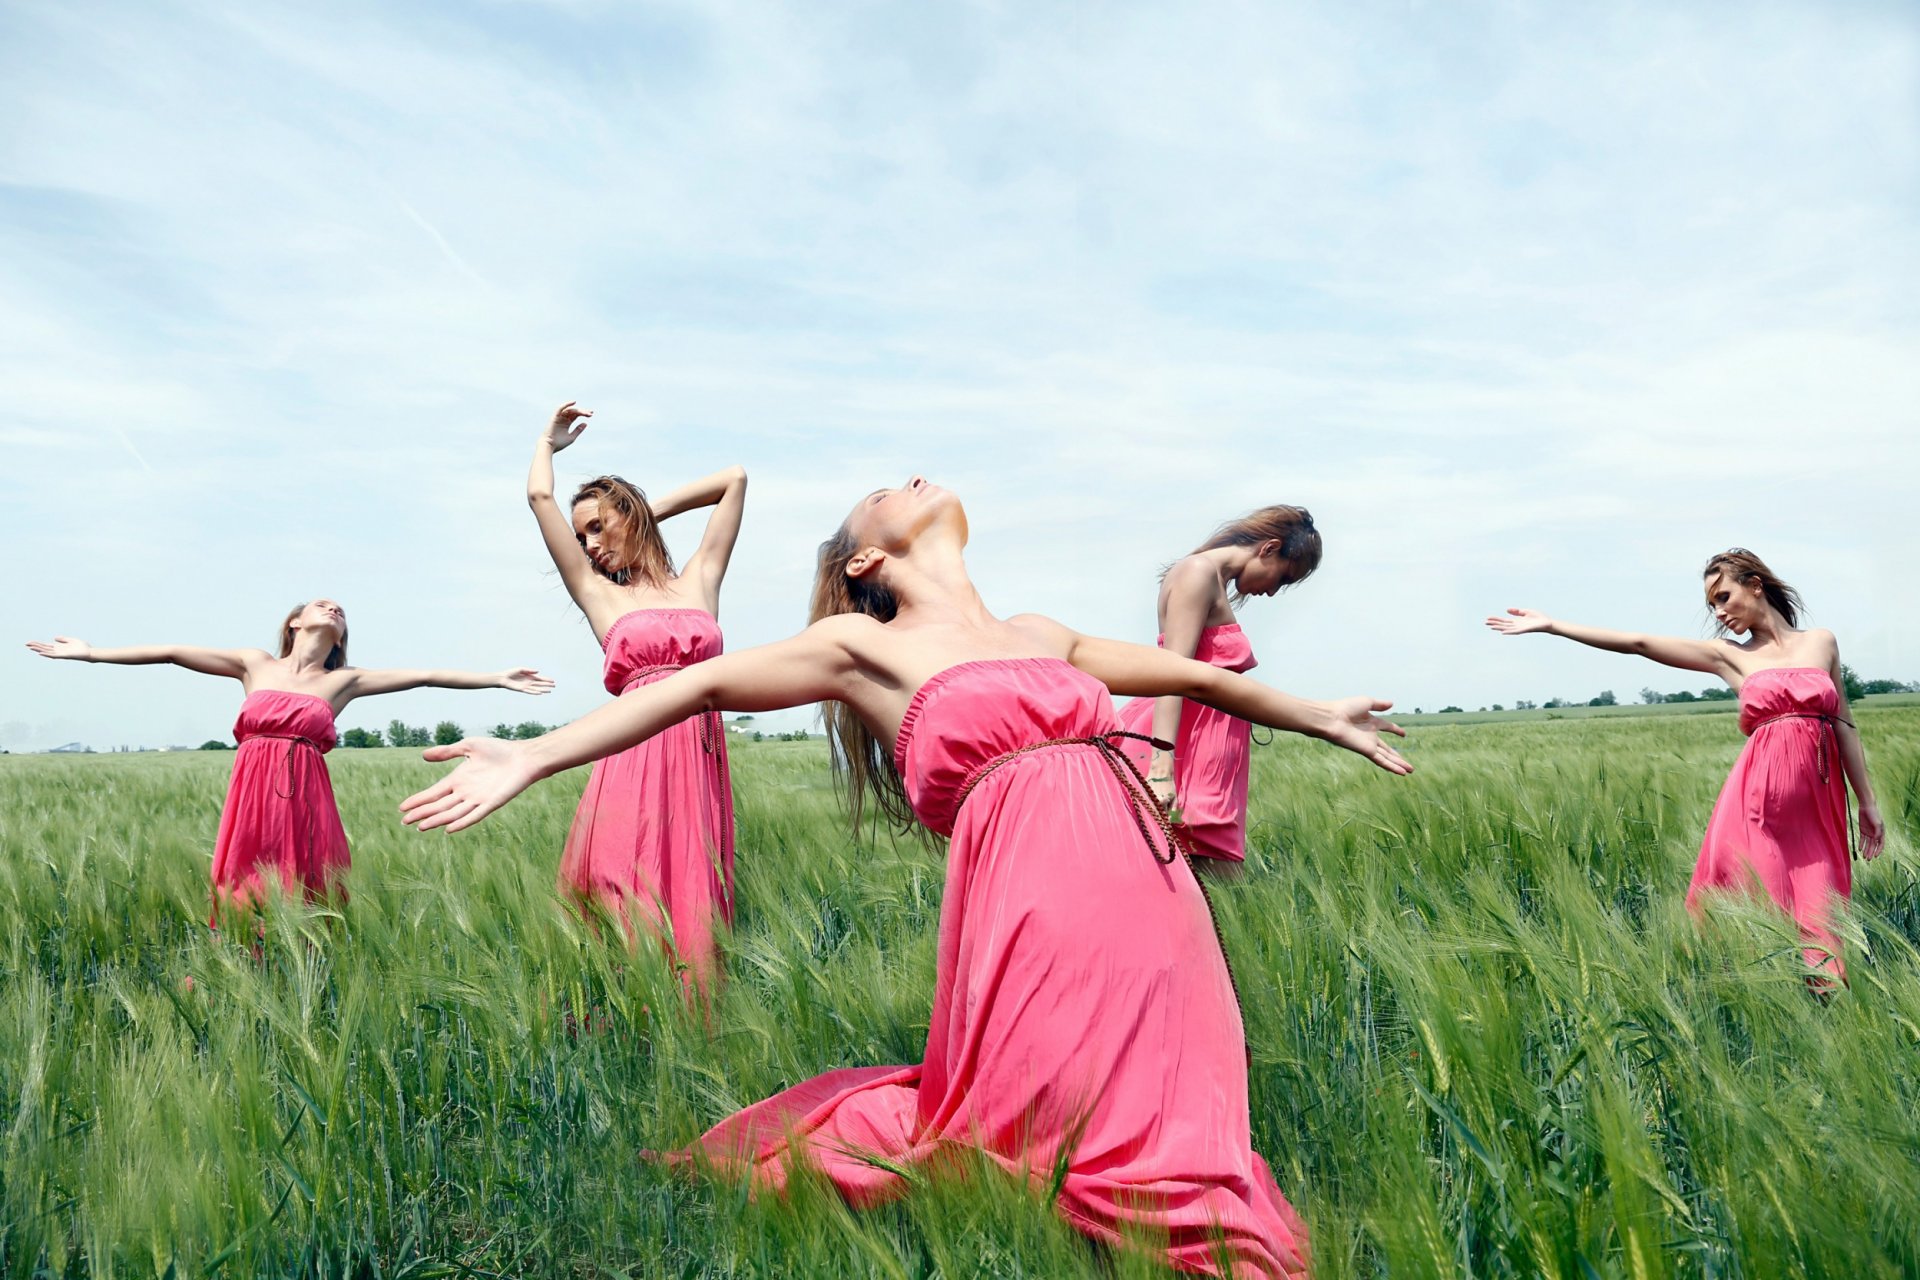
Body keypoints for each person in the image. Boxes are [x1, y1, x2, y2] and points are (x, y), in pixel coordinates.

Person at [404, 474, 1411, 1277]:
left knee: (1171, 1066)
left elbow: (1194, 677)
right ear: (868, 555)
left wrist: (1316, 713)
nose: (912, 479)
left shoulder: (1036, 631)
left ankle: (1145, 1188)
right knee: (1052, 1083)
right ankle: (1083, 1200)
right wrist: (536, 754)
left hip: (1147, 872)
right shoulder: (860, 645)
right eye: (886, 490)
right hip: (1030, 875)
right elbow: (700, 683)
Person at [1487, 548, 1885, 979]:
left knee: (1822, 915)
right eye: (1712, 604)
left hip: (1817, 807)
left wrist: (1867, 801)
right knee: (1765, 914)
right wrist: (1554, 626)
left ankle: (1827, 1010)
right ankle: (1768, 1009)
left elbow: (1844, 722)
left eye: (1724, 597)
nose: (1719, 612)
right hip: (1759, 808)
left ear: (1756, 585)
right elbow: (1639, 645)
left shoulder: (1821, 642)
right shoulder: (1728, 655)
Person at [26, 600, 551, 924]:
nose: (334, 609)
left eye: (341, 612)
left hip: (306, 795)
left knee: (310, 880)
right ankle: (243, 958)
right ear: (295, 623)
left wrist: (496, 678)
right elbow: (170, 651)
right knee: (245, 881)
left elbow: (427, 675)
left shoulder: (343, 681)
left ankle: (309, 965)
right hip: (252, 791)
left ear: (341, 639)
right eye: (322, 605)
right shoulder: (255, 663)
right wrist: (94, 654)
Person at [528, 401, 746, 986]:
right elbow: (539, 500)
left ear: (630, 515)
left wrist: (647, 515)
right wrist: (547, 445)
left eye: (600, 525)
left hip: (698, 757)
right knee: (626, 891)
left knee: (693, 900)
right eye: (582, 536)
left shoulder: (699, 580)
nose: (591, 546)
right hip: (634, 753)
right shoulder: (601, 597)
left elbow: (734, 480)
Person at [1117, 506, 1322, 865]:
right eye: (1283, 578)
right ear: (1269, 549)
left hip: (1205, 759)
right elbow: (1170, 673)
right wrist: (1161, 771)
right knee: (1215, 885)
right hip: (1188, 754)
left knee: (1212, 890)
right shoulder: (1197, 573)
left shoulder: (1209, 578)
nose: (1274, 592)